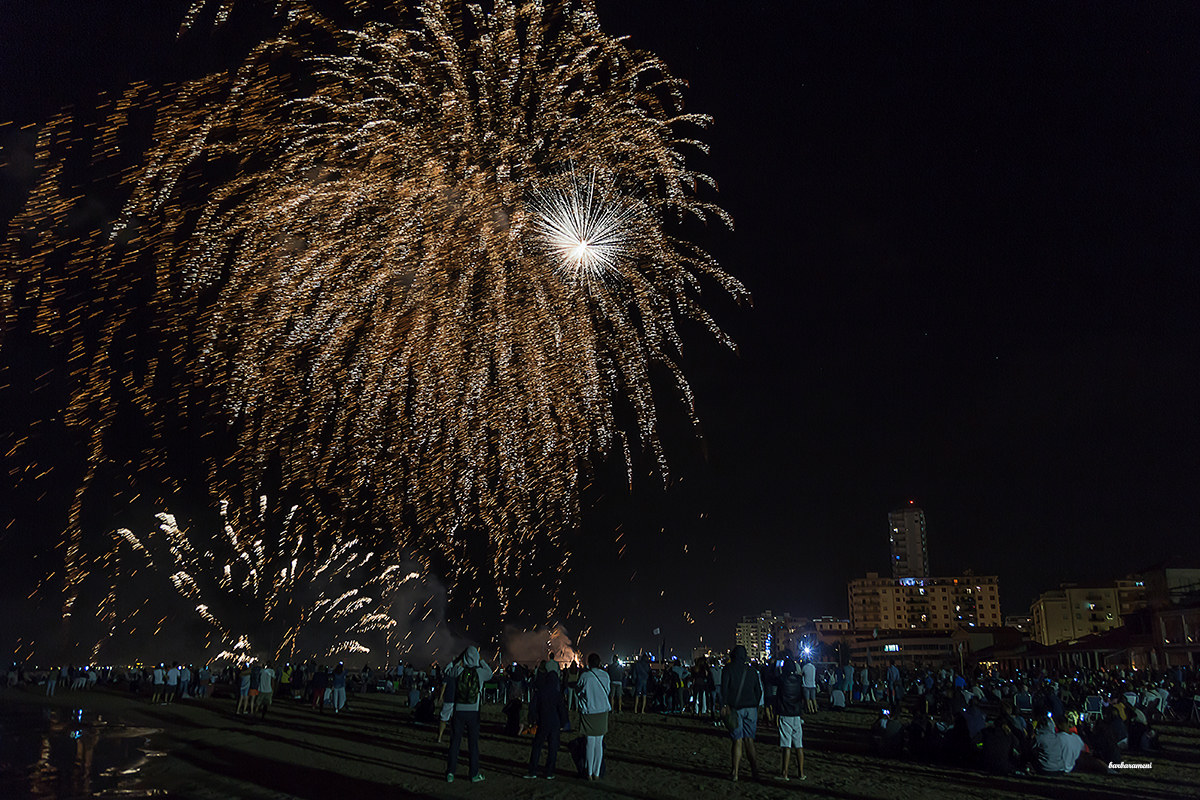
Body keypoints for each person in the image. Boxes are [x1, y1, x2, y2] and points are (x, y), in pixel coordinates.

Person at [444, 646, 494, 783]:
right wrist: (481, 661)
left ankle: (450, 773)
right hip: (474, 712)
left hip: (459, 710)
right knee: (473, 744)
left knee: (455, 742)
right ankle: (473, 773)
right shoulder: (480, 673)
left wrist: (457, 660)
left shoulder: (459, 670)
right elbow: (490, 674)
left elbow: (446, 671)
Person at [721, 645, 763, 782]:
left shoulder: (728, 669)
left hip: (735, 708)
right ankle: (754, 770)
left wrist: (724, 705)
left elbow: (724, 690)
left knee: (737, 740)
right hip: (751, 708)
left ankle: (735, 772)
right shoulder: (752, 671)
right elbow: (759, 691)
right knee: (749, 740)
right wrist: (755, 704)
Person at [526, 660, 569, 779]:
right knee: (553, 748)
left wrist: (532, 720)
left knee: (537, 746)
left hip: (543, 721)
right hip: (554, 723)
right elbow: (562, 709)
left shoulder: (541, 692)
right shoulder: (557, 693)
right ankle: (549, 772)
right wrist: (564, 722)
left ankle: (533, 771)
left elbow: (533, 707)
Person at [577, 653, 612, 780]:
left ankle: (589, 772)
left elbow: (579, 691)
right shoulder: (605, 675)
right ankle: (597, 773)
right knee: (599, 743)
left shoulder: (585, 676)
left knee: (589, 743)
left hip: (589, 711)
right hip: (602, 712)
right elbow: (607, 691)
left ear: (588, 663)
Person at [776, 659, 807, 781]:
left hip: (785, 714)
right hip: (797, 715)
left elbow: (778, 696)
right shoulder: (799, 680)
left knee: (786, 745)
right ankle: (801, 773)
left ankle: (785, 773)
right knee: (799, 745)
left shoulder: (782, 680)